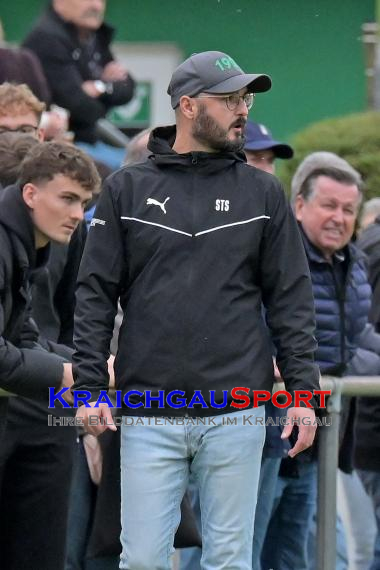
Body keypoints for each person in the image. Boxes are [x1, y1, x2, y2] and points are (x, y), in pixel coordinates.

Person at [73, 50, 320, 570]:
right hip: (147, 409)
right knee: (141, 560)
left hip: (238, 409)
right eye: (229, 98)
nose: (242, 109)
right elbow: (95, 293)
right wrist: (91, 387)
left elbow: (291, 300)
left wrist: (303, 392)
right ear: (187, 105)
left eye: (245, 98)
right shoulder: (127, 189)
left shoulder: (264, 192)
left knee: (230, 560)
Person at [180, 119, 295, 570]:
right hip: (204, 414)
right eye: (256, 158)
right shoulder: (206, 233)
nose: (264, 169)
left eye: (270, 160)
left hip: (266, 423)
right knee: (203, 549)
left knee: (239, 553)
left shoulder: (277, 233)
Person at [261, 152, 378, 570]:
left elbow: (349, 338)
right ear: (299, 206)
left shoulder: (352, 262)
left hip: (317, 434)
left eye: (348, 209)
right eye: (329, 205)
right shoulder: (273, 255)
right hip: (263, 435)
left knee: (294, 557)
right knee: (236, 553)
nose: (339, 218)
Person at [0, 141, 100, 570]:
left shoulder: (26, 242)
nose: (78, 214)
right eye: (68, 198)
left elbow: (24, 336)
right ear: (30, 194)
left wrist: (97, 369)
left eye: (84, 202)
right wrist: (68, 376)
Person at [23, 0, 136, 169]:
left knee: (144, 162)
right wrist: (105, 91)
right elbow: (82, 108)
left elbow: (128, 88)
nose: (96, 6)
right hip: (57, 147)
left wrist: (99, 88)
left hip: (92, 142)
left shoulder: (94, 36)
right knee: (130, 173)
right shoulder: (46, 38)